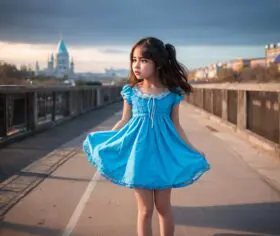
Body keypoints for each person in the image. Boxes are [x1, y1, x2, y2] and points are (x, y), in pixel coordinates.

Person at [82, 37, 210, 236]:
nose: (136, 65)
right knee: (145, 210)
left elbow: (177, 126)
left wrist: (193, 149)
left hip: (163, 156)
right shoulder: (131, 92)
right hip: (138, 156)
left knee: (163, 207)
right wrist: (109, 141)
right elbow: (124, 120)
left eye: (143, 60)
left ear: (157, 63)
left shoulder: (171, 94)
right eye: (134, 60)